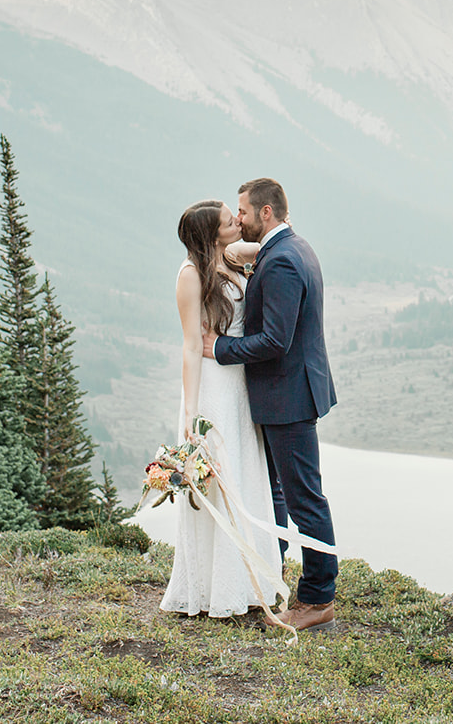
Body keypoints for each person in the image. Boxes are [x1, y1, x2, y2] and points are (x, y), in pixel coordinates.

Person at [204, 177, 339, 633]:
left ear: (265, 213)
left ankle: (317, 598)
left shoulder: (280, 261)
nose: (237, 219)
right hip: (289, 393)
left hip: (288, 396)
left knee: (304, 497)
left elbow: (275, 341)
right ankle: (274, 570)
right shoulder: (290, 248)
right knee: (282, 491)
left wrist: (220, 348)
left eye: (242, 211)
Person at [161, 199, 279, 618]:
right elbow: (192, 345)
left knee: (244, 477)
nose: (238, 221)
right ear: (212, 234)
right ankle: (215, 590)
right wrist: (192, 415)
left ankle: (249, 583)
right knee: (219, 485)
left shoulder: (230, 256)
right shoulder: (191, 276)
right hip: (211, 388)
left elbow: (273, 242)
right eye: (230, 220)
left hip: (238, 386)